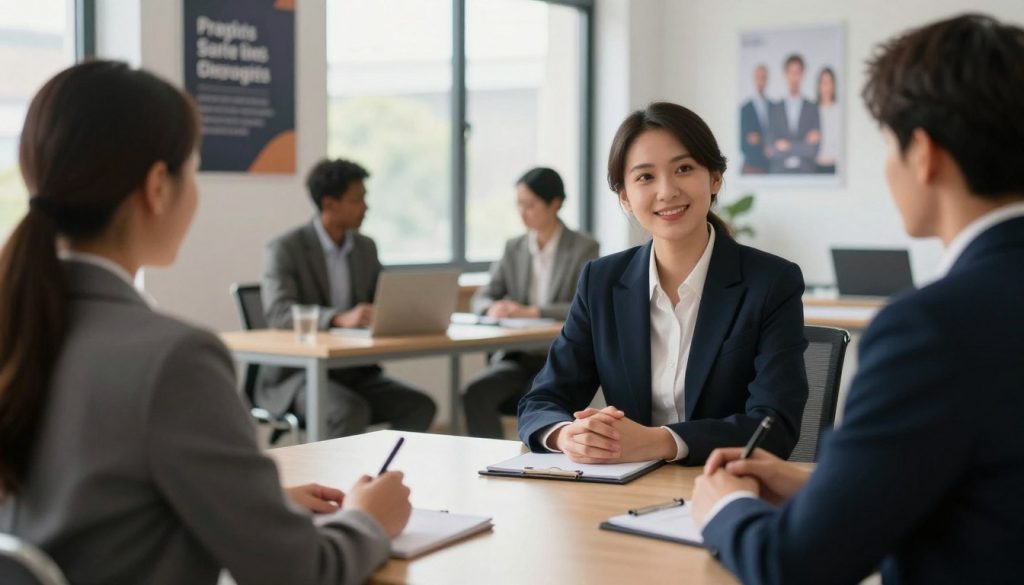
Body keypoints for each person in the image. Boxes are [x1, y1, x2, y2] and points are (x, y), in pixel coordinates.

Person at [0, 61, 412, 584]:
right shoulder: (174, 359)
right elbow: (301, 572)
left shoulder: (21, 325)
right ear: (157, 186)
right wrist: (366, 520)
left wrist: (248, 502)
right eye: (192, 170)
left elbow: (82, 512)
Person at [693, 14, 1024, 584]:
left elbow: (795, 565)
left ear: (923, 153)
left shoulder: (933, 329)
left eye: (888, 145)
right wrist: (831, 484)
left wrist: (722, 506)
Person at [517, 102, 808, 466]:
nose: (667, 191)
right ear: (625, 196)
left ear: (715, 177)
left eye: (684, 169)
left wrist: (661, 442)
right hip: (621, 489)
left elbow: (774, 426)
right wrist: (566, 435)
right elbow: (540, 402)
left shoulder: (770, 282)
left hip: (724, 486)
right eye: (645, 177)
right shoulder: (601, 282)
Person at [259, 158, 437, 437]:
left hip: (354, 371)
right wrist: (339, 318)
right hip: (298, 377)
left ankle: (382, 474)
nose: (366, 207)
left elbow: (384, 297)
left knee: (419, 406)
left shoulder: (365, 247)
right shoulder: (286, 248)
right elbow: (279, 312)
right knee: (348, 410)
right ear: (330, 203)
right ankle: (345, 481)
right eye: (358, 200)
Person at [463, 167, 599, 438]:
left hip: (556, 356)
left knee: (538, 401)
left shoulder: (583, 247)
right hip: (517, 355)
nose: (522, 212)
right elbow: (482, 296)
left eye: (530, 205)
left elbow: (582, 306)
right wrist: (492, 308)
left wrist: (532, 311)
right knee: (475, 393)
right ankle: (493, 462)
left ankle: (533, 461)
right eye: (519, 205)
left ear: (554, 204)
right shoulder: (514, 247)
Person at [765, 54, 821, 173]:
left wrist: (787, 145)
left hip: (806, 173)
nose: (794, 77)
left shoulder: (812, 108)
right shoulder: (774, 109)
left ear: (802, 75)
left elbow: (813, 150)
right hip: (778, 173)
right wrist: (802, 145)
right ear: (785, 75)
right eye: (791, 72)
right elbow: (769, 149)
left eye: (797, 72)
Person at [739, 64, 772, 174]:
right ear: (754, 79)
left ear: (767, 80)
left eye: (763, 77)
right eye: (758, 77)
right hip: (752, 165)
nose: (760, 81)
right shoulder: (745, 109)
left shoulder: (773, 107)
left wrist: (758, 139)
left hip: (770, 165)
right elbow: (743, 142)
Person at [814, 67, 839, 174]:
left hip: (835, 164)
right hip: (814, 165)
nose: (826, 87)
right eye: (823, 82)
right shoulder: (811, 110)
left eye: (829, 82)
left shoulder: (839, 110)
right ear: (818, 86)